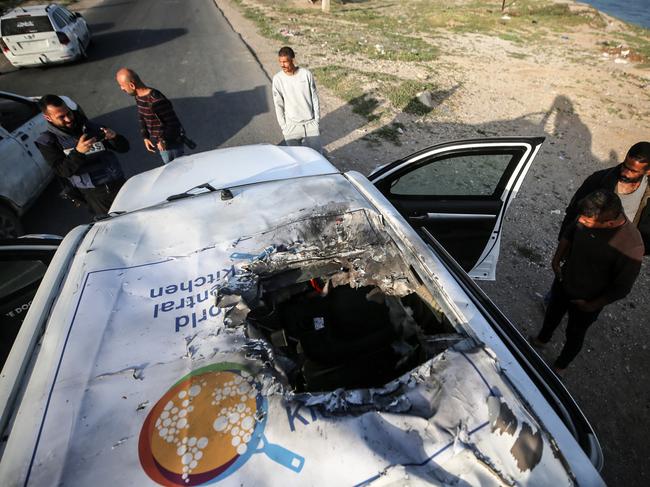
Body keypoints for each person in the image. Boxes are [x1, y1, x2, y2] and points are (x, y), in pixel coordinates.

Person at [532, 190, 644, 374]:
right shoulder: (588, 215)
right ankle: (542, 339)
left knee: (575, 334)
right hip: (563, 282)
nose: (580, 221)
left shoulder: (631, 245)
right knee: (552, 314)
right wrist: (556, 259)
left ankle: (560, 366)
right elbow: (569, 233)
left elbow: (622, 287)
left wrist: (591, 305)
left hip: (586, 300)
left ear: (609, 223)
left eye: (587, 222)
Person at [35, 95, 128, 215]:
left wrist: (114, 138)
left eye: (68, 113)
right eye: (61, 117)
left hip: (119, 183)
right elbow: (62, 171)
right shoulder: (48, 141)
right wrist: (78, 152)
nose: (68, 119)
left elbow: (124, 148)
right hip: (95, 195)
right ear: (48, 117)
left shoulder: (90, 127)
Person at [558, 141, 650, 252]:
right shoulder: (598, 180)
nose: (625, 173)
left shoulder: (647, 190)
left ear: (648, 171)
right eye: (625, 166)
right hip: (589, 246)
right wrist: (563, 246)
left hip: (620, 251)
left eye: (633, 171)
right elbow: (573, 212)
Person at [115, 68, 186, 164]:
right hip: (162, 145)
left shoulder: (156, 100)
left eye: (122, 85)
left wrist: (162, 140)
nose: (122, 89)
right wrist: (145, 137)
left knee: (177, 172)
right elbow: (142, 116)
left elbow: (173, 123)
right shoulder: (139, 97)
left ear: (132, 85)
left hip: (171, 145)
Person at [271, 46, 322, 153]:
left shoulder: (306, 74)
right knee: (296, 159)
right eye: (280, 62)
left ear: (293, 60)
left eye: (285, 62)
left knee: (317, 157)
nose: (282, 65)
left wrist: (316, 120)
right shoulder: (277, 79)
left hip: (310, 125)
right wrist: (284, 127)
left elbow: (314, 98)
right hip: (291, 127)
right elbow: (278, 105)